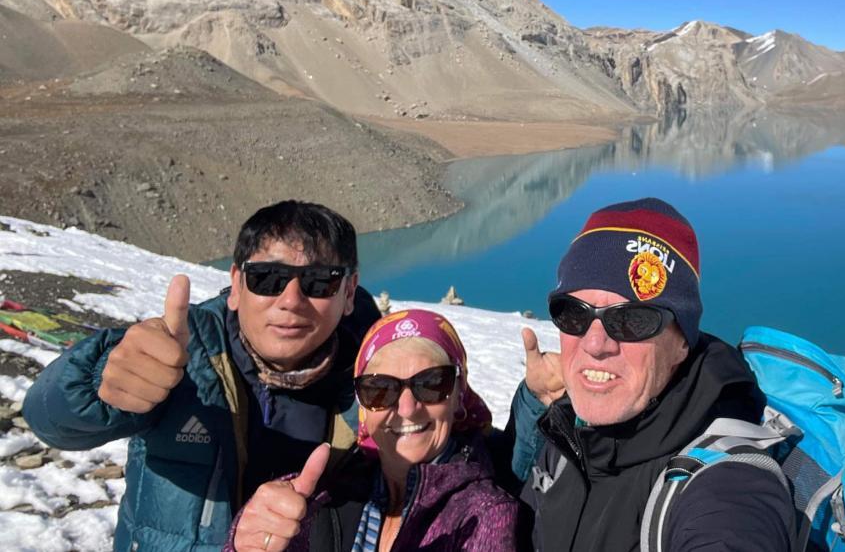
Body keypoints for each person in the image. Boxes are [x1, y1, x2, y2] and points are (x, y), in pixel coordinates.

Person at [23, 200, 382, 552]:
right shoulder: (179, 352)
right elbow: (50, 422)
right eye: (267, 278)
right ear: (236, 286)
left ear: (348, 293)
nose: (290, 300)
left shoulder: (383, 380)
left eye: (320, 283)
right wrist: (98, 383)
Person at [509, 197, 795, 551]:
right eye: (573, 313)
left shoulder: (725, 484)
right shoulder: (571, 431)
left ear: (681, 344)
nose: (596, 343)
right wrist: (536, 403)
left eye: (632, 320)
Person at [227, 308, 519, 551]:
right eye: (380, 390)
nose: (407, 408)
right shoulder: (325, 495)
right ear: (363, 405)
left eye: (431, 384)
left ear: (459, 394)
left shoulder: (484, 514)